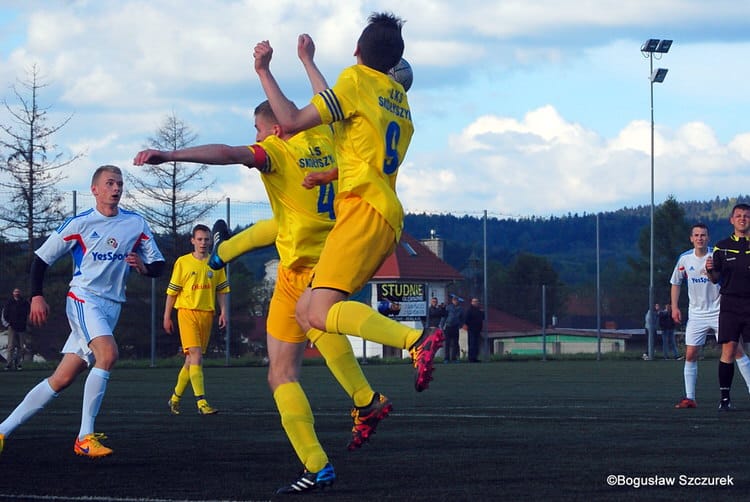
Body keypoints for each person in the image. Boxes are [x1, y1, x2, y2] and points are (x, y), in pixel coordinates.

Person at [135, 35, 392, 494]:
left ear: (271, 131)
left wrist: (170, 155)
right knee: (319, 329)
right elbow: (322, 98)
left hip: (299, 272)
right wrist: (306, 61)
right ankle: (363, 400)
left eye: (257, 129)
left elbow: (229, 154)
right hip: (336, 254)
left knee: (282, 371)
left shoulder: (276, 151)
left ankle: (320, 457)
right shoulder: (326, 137)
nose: (255, 137)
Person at [254, 11, 443, 406]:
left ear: (356, 50)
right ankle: (364, 402)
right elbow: (347, 127)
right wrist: (308, 62)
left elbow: (289, 120)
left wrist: (263, 70)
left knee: (321, 312)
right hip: (384, 213)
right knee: (309, 309)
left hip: (362, 210)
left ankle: (416, 340)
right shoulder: (399, 103)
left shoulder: (356, 82)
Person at [0, 165, 165, 459]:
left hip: (111, 306)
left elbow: (158, 265)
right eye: (110, 183)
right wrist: (36, 296)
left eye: (120, 184)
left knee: (61, 379)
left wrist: (144, 268)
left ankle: (2, 430)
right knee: (109, 354)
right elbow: (40, 260)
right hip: (83, 298)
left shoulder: (136, 224)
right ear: (95, 190)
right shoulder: (80, 223)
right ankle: (84, 437)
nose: (116, 189)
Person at [671, 223, 750, 409]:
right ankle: (690, 398)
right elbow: (675, 282)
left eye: (703, 235)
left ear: (708, 237)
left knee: (736, 351)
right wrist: (674, 307)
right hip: (696, 314)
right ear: (691, 238)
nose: (700, 238)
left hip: (719, 311)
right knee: (690, 354)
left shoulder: (716, 254)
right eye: (696, 235)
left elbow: (725, 277)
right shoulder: (684, 259)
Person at [165, 224, 229, 416]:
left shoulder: (216, 262)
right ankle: (201, 402)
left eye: (206, 239)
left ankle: (174, 399)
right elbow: (172, 292)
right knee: (197, 356)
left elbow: (222, 290)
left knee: (190, 360)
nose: (203, 243)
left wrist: (223, 311)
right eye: (199, 239)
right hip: (186, 312)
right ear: (192, 241)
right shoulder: (183, 262)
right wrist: (167, 315)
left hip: (206, 314)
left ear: (211, 241)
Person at [706, 203, 750, 410]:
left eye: (747, 216)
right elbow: (715, 278)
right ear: (731, 220)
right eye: (739, 216)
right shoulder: (721, 247)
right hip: (731, 304)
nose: (743, 219)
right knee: (729, 349)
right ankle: (725, 399)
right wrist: (709, 271)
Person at [3, 288, 30, 371]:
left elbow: (28, 312)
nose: (17, 293)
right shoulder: (9, 303)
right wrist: (9, 323)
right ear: (13, 293)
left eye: (18, 292)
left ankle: (18, 364)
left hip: (22, 327)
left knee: (21, 347)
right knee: (10, 346)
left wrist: (24, 322)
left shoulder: (24, 303)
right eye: (15, 292)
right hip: (12, 327)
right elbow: (5, 314)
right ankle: (9, 364)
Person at [443, 296, 464, 363]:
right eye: (454, 300)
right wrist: (442, 325)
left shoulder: (460, 309)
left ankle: (454, 358)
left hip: (455, 327)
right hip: (448, 327)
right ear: (452, 301)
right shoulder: (448, 307)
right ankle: (446, 358)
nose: (455, 301)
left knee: (455, 343)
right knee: (447, 343)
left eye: (456, 300)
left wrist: (460, 325)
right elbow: (444, 316)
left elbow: (462, 318)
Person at [464, 298, 484, 363]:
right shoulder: (469, 310)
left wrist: (482, 312)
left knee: (476, 344)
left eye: (477, 301)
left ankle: (475, 357)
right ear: (472, 302)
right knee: (472, 344)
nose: (476, 303)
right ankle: (471, 358)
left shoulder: (479, 310)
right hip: (471, 329)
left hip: (478, 329)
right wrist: (469, 326)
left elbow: (482, 318)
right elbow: (466, 320)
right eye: (475, 301)